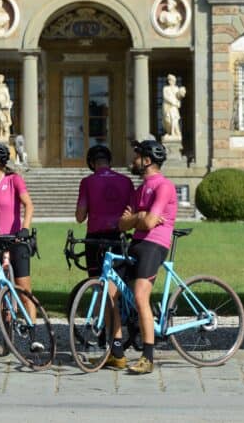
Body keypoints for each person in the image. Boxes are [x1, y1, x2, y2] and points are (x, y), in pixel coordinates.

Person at [118, 140, 177, 374]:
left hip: (155, 243)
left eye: (137, 157)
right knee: (115, 290)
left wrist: (140, 217)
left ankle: (148, 357)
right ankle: (116, 350)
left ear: (148, 160)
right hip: (138, 241)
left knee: (141, 296)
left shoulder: (164, 186)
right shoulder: (139, 189)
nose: (133, 161)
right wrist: (141, 215)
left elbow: (151, 223)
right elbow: (122, 224)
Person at [76, 145, 134, 370]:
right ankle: (113, 342)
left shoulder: (88, 182)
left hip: (95, 241)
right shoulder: (126, 181)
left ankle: (112, 343)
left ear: (92, 163)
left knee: (101, 291)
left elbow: (80, 216)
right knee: (114, 291)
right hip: (118, 238)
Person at [0, 141, 39, 345]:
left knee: (23, 290)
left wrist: (25, 228)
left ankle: (33, 335)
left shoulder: (14, 180)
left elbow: (28, 204)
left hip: (16, 240)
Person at [162, 74, 187, 138]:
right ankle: (170, 132)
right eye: (169, 80)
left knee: (174, 119)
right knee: (167, 120)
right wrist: (172, 102)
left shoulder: (176, 88)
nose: (171, 81)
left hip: (174, 107)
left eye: (172, 80)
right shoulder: (165, 88)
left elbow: (178, 97)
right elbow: (165, 97)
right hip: (167, 106)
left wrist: (182, 93)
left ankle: (173, 133)